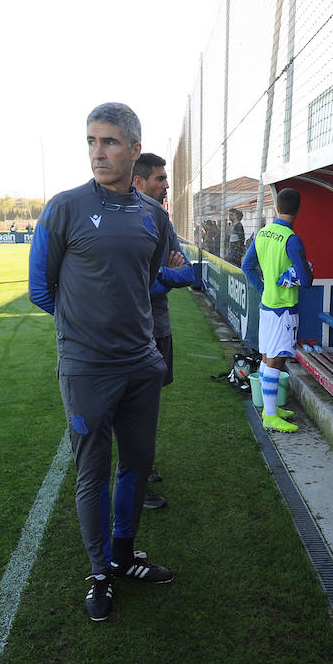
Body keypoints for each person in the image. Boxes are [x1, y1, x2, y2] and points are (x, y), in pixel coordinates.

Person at [30, 103, 175, 622]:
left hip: (141, 366)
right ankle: (98, 573)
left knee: (135, 465)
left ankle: (123, 554)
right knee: (92, 473)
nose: (98, 152)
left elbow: (148, 280)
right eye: (91, 141)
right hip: (88, 370)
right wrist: (84, 335)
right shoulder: (64, 207)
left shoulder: (154, 216)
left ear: (134, 150)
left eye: (109, 142)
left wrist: (133, 342)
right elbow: (40, 290)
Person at [132, 151, 195, 510]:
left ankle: (143, 466)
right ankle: (136, 485)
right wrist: (160, 278)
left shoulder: (163, 222)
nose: (167, 185)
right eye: (160, 179)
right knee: (133, 411)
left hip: (160, 329)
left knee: (149, 407)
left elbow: (187, 274)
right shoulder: (127, 223)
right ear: (139, 181)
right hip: (137, 334)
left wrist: (161, 277)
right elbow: (133, 286)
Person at [241, 188, 310, 433]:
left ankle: (269, 409)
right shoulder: (292, 239)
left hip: (267, 306)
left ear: (277, 208)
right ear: (298, 210)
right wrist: (295, 274)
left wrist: (264, 289)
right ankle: (270, 415)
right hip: (284, 309)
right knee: (276, 359)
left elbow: (246, 266)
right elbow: (307, 279)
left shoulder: (262, 233)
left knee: (269, 355)